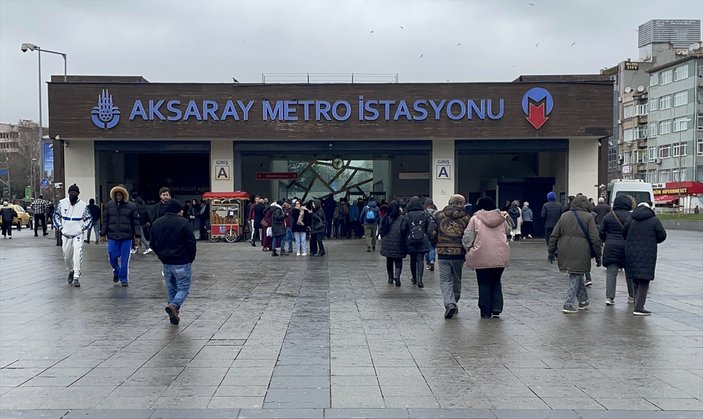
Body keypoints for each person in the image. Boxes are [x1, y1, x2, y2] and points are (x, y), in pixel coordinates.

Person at [547, 195, 602, 314]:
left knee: (576, 273)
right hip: (581, 250)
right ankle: (568, 303)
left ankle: (583, 300)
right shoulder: (588, 217)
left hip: (564, 249)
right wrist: (598, 256)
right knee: (576, 274)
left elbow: (554, 235)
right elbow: (595, 238)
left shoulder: (564, 216)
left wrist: (551, 251)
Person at [150, 199, 197, 326]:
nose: (182, 212)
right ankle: (174, 306)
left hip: (166, 261)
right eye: (181, 210)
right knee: (183, 288)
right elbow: (191, 242)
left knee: (171, 288)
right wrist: (190, 257)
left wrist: (160, 255)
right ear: (177, 210)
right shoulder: (183, 222)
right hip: (182, 260)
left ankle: (173, 313)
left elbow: (152, 243)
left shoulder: (156, 223)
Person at [463, 196, 511, 319]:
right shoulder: (502, 218)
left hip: (481, 255)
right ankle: (497, 307)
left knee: (483, 283)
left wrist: (467, 248)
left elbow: (468, 237)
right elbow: (508, 232)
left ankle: (485, 310)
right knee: (496, 281)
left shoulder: (475, 219)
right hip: (500, 255)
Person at [428, 194, 471, 319]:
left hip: (443, 252)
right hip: (459, 253)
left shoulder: (439, 216)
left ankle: (449, 303)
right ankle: (454, 301)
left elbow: (431, 232)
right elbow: (469, 235)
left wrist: (435, 242)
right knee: (456, 278)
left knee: (445, 279)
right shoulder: (467, 218)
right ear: (462, 204)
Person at [623, 201, 667, 316]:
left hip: (631, 252)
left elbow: (624, 233)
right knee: (644, 280)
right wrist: (653, 240)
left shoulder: (631, 219)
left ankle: (636, 304)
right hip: (648, 252)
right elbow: (662, 235)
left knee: (635, 279)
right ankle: (639, 307)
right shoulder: (654, 220)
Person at [100, 185, 141, 287]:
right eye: (117, 195)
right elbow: (105, 221)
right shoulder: (109, 205)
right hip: (113, 236)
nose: (118, 196)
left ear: (124, 195)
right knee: (112, 255)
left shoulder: (131, 206)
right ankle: (116, 270)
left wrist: (138, 236)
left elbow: (135, 222)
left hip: (126, 237)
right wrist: (103, 234)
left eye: (120, 195)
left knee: (124, 259)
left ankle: (124, 279)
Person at [54, 184, 92, 287]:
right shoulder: (62, 203)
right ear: (68, 193)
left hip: (77, 235)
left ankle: (76, 276)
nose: (73, 195)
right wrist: (60, 227)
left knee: (77, 253)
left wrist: (83, 228)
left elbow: (89, 218)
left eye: (75, 193)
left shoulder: (83, 205)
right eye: (71, 193)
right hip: (66, 234)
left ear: (78, 194)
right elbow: (56, 216)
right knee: (66, 256)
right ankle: (71, 270)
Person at [599, 194, 635, 306]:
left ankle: (610, 297)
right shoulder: (631, 216)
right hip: (627, 246)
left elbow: (601, 231)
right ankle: (632, 296)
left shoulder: (609, 216)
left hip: (611, 246)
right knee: (629, 272)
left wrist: (606, 239)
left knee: (611, 272)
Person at [379, 200, 408, 287]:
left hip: (387, 243)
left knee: (389, 261)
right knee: (399, 260)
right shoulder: (402, 218)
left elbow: (381, 229)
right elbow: (404, 230)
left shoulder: (385, 217)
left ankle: (390, 278)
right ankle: (397, 276)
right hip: (399, 243)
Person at [404, 196, 430, 288]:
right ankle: (420, 278)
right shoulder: (425, 214)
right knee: (420, 259)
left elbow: (404, 228)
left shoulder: (408, 215)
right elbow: (429, 227)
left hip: (411, 240)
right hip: (422, 239)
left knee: (413, 259)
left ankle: (414, 277)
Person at [424, 198, 438, 271]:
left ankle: (428, 263)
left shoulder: (424, 212)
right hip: (433, 232)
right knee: (432, 248)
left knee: (427, 249)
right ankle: (432, 260)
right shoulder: (436, 212)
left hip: (426, 232)